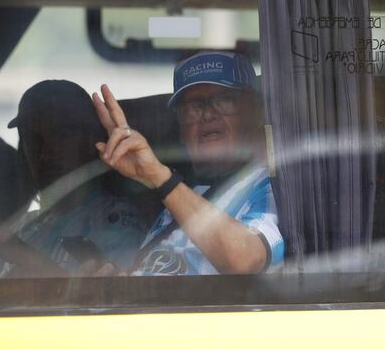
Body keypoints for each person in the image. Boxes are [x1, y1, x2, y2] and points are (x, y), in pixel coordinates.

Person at [92, 51, 284, 275]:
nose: (208, 115)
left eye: (224, 100)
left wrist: (159, 177)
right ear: (182, 129)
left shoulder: (271, 187)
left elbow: (246, 259)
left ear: (256, 113)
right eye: (194, 107)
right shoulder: (183, 197)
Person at [0, 80, 146, 278]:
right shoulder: (23, 226)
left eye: (58, 136)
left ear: (90, 141)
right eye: (33, 139)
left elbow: (115, 297)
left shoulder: (117, 222)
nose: (45, 153)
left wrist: (23, 257)